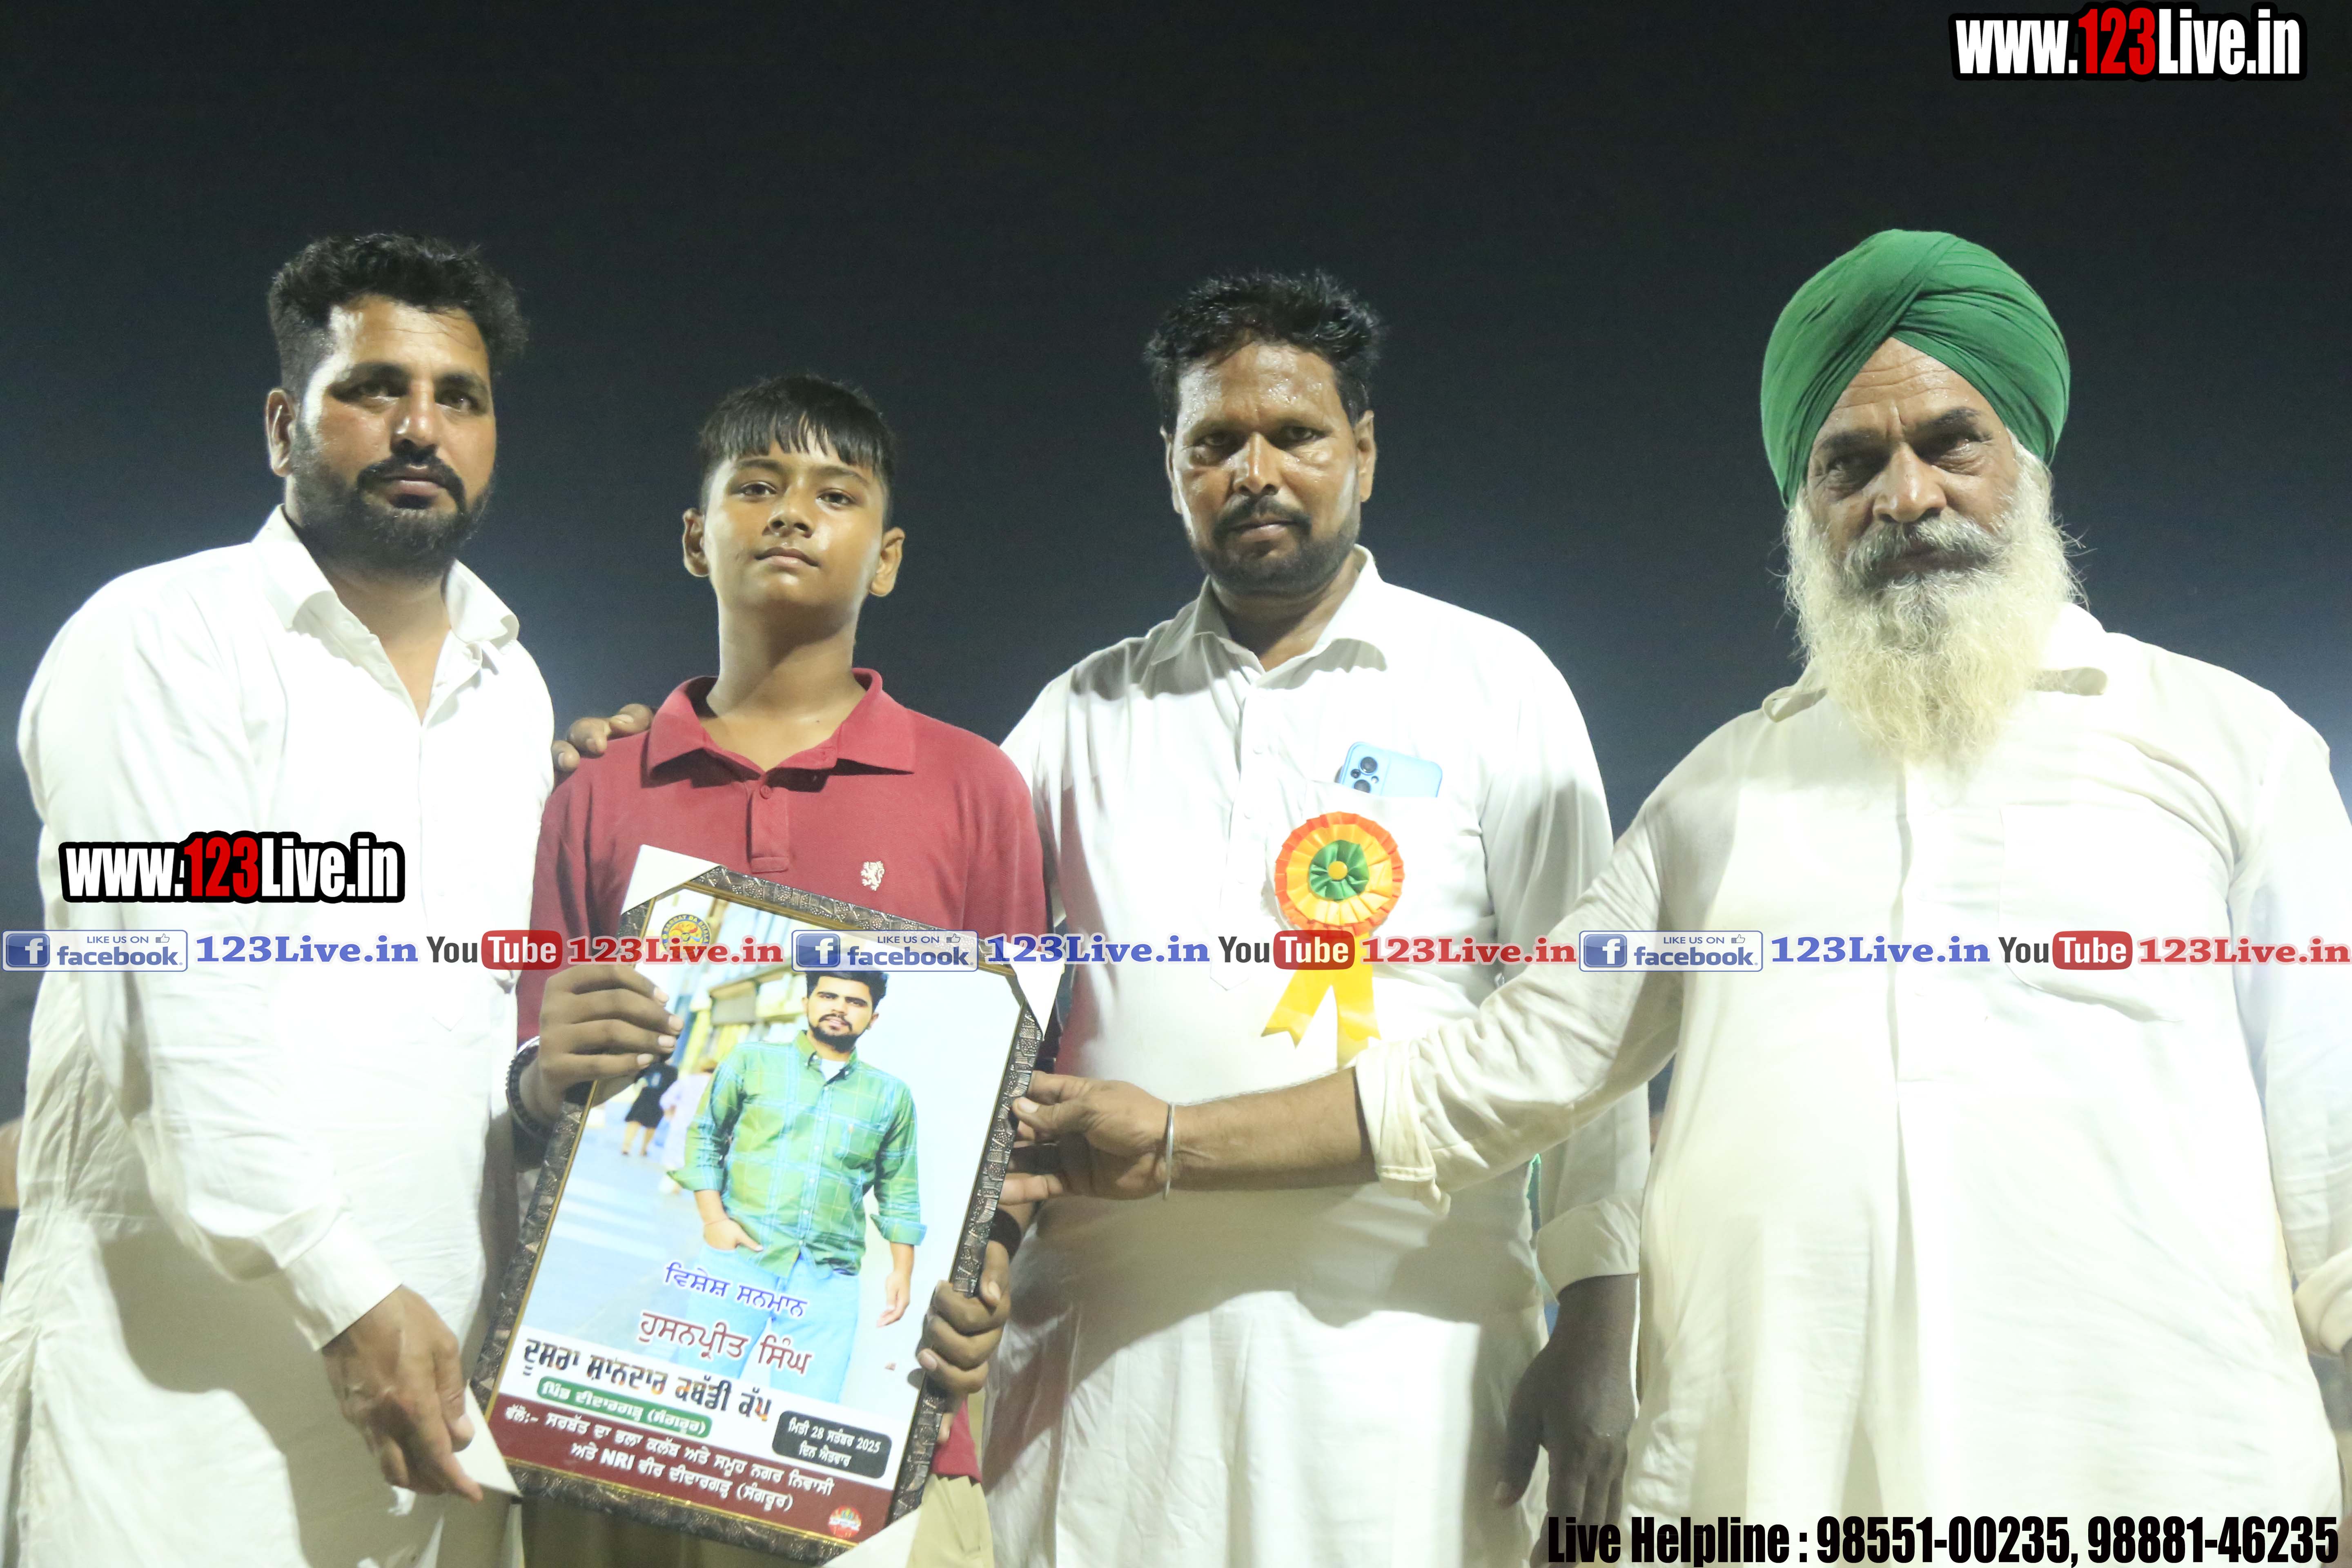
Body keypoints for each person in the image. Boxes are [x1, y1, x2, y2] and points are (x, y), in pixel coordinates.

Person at [1006, 232, 2352, 1517]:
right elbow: (1500, 1071)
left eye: (1953, 444)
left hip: (2160, 1467)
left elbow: (2337, 1159)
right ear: (1805, 504)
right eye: (1849, 462)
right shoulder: (1720, 797)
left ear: (2031, 462)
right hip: (1779, 1471)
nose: (1905, 497)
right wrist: (1173, 1140)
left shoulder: (2229, 751)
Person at [978, 270, 1648, 1567]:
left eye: (1297, 434)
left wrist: (1599, 1325)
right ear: (1171, 466)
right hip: (1108, 1371)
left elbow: (1590, 1032)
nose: (1256, 472)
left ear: (1365, 451)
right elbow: (934, 945)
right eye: (1215, 442)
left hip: (1409, 1363)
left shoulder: (1494, 685)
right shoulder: (1080, 713)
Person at [3, 234, 547, 1564]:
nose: (420, 427)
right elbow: (181, 1006)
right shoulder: (164, 640)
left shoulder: (515, 688)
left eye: (459, 397)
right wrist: (343, 1296)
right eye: (373, 387)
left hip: (433, 1420)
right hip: (175, 1419)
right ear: (280, 424)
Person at [530, 374, 1041, 1565]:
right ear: (694, 538)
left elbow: (1013, 1101)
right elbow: (534, 1070)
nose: (793, 513)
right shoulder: (598, 792)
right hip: (623, 1415)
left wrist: (988, 1263)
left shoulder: (975, 790)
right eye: (755, 485)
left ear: (889, 557)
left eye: (836, 494)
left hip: (874, 1425)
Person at [659, 969, 920, 1401]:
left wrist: (902, 1271)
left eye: (856, 1002)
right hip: (740, 1259)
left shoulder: (891, 1095)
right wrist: (714, 1222)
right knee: (695, 1394)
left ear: (873, 1017)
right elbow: (705, 1135)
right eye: (828, 996)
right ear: (806, 1003)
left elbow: (900, 1186)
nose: (840, 1008)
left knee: (805, 1415)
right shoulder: (751, 1061)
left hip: (829, 1275)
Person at [621, 1058, 677, 1156]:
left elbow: (637, 1078)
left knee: (635, 1122)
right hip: (659, 1101)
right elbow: (673, 1088)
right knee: (652, 1126)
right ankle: (644, 1149)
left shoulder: (650, 1066)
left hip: (645, 1097)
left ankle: (626, 1147)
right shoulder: (672, 1071)